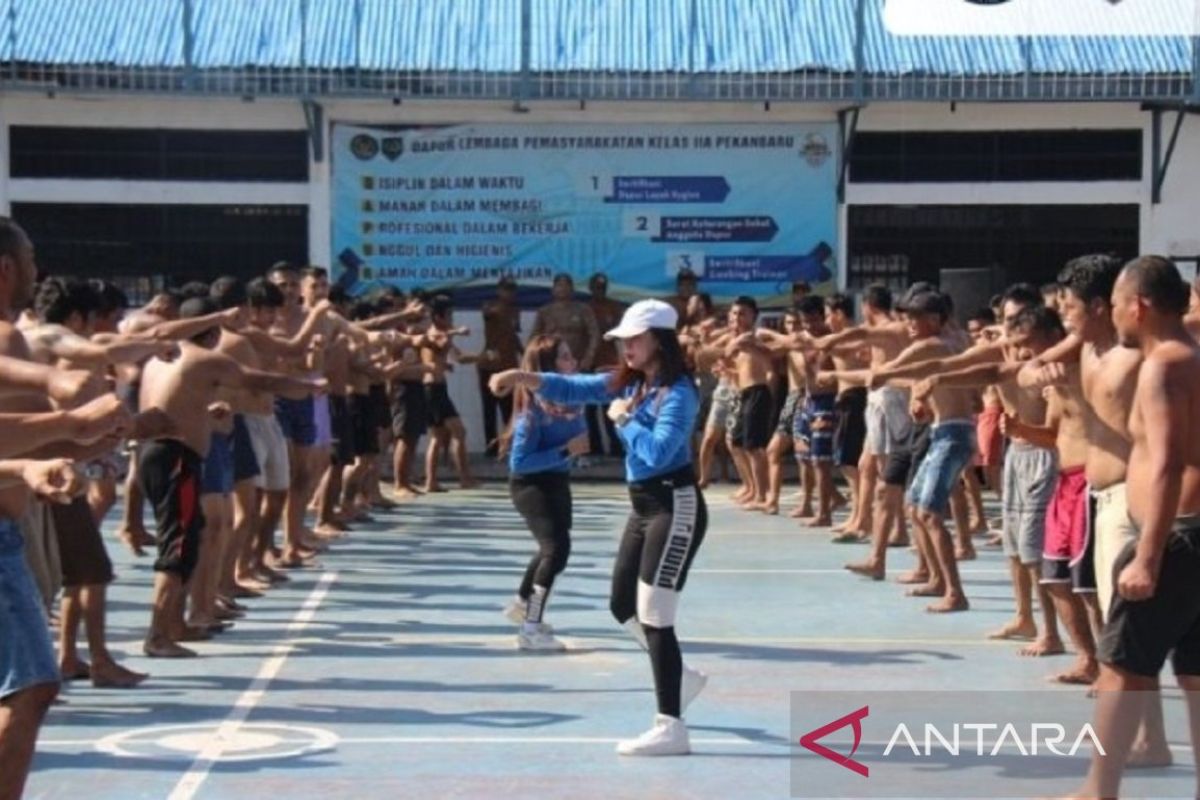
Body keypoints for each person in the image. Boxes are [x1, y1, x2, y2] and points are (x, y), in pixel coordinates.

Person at [490, 299, 708, 756]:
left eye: (635, 338)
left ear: (660, 341)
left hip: (675, 504)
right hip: (644, 507)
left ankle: (671, 725)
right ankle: (679, 678)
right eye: (624, 339)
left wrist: (624, 419)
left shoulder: (680, 392)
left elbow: (658, 452)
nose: (627, 347)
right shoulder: (632, 383)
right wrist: (521, 377)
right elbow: (573, 388)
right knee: (620, 603)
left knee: (655, 615)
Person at [1066, 256, 1200, 799]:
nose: (1114, 313)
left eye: (1118, 303)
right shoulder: (1191, 357)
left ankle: (1100, 791)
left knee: (1120, 667)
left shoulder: (1163, 365)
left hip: (1175, 535)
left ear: (1138, 306)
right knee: (1193, 674)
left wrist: (1147, 554)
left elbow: (1167, 461)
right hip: (1194, 534)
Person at [137, 296, 326, 658]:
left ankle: (175, 623)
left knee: (186, 543)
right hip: (176, 461)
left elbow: (175, 402)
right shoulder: (206, 359)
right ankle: (158, 634)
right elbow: (256, 379)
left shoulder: (159, 358)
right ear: (212, 335)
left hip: (158, 456)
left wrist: (207, 411)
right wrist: (305, 385)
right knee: (177, 548)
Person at [499, 335, 589, 651]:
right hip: (530, 484)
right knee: (555, 549)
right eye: (565, 358)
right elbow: (520, 462)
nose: (573, 362)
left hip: (557, 480)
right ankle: (531, 627)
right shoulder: (531, 414)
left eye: (571, 356)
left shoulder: (574, 400)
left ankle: (522, 602)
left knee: (555, 549)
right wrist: (565, 450)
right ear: (548, 369)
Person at [420, 295, 482, 492]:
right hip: (432, 390)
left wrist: (482, 357)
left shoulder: (444, 333)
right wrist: (457, 331)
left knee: (438, 437)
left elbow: (460, 358)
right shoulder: (434, 332)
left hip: (437, 389)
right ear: (438, 317)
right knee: (459, 431)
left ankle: (431, 481)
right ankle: (464, 478)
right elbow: (437, 341)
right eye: (449, 315)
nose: (452, 318)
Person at [478, 276, 522, 457]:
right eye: (505, 289)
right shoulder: (491, 306)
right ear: (499, 290)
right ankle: (491, 447)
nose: (508, 293)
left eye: (511, 290)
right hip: (489, 366)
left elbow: (513, 336)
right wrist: (493, 310)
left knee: (509, 410)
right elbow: (487, 314)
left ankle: (508, 445)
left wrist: (525, 352)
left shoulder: (515, 311)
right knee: (489, 409)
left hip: (509, 365)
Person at [585, 272, 626, 458]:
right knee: (590, 410)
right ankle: (595, 447)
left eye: (602, 288)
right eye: (596, 288)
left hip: (609, 363)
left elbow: (622, 334)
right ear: (590, 288)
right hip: (589, 364)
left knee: (611, 407)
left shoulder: (613, 307)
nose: (599, 291)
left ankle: (616, 446)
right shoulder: (585, 308)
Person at [530, 273, 599, 375]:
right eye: (559, 285)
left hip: (577, 363)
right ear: (553, 290)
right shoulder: (544, 311)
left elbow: (595, 334)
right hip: (551, 364)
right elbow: (535, 337)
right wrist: (533, 360)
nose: (563, 289)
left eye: (567, 285)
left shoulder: (583, 310)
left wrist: (589, 357)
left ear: (572, 289)